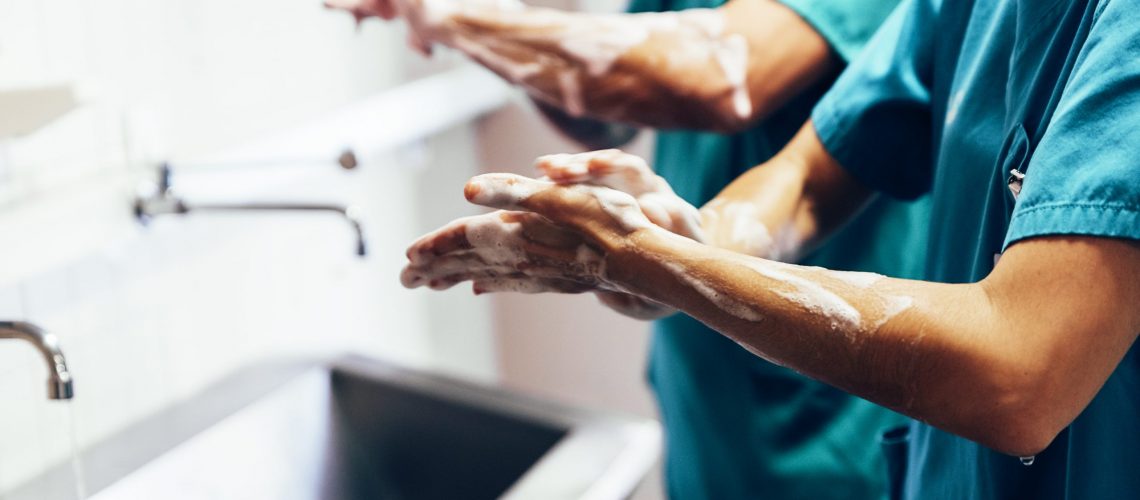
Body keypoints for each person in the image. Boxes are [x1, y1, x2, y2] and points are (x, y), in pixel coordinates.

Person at [401, 0, 1140, 498]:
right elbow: (809, 175)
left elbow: (1018, 376)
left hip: (828, 438)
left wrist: (655, 263)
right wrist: (689, 238)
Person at [329, 0, 931, 497]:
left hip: (827, 416)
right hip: (703, 382)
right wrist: (661, 260)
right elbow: (605, 114)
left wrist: (451, 14)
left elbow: (716, 75)